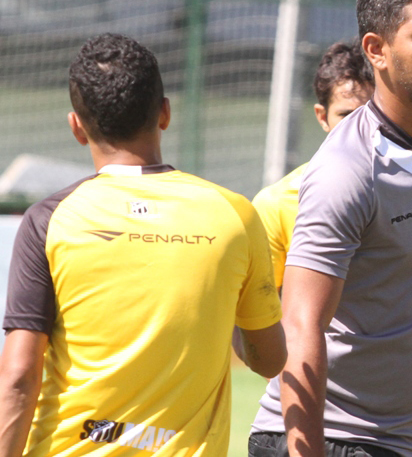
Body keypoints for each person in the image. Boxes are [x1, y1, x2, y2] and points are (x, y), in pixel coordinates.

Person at [0, 33, 286, 457]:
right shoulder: (235, 214)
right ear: (165, 112)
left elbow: (19, 375)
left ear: (77, 127)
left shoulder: (49, 218)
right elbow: (268, 360)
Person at [249, 0, 412, 457]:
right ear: (377, 51)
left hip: (402, 442)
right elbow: (300, 325)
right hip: (331, 438)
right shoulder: (347, 169)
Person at [252, 40, 374, 293]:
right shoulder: (276, 204)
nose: (361, 127)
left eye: (373, 115)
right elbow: (260, 313)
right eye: (346, 115)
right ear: (322, 117)